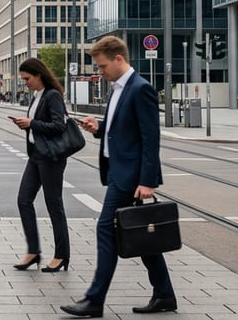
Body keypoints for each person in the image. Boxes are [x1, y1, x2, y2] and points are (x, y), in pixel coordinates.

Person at [62, 36, 175, 318]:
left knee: (106, 229)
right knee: (138, 231)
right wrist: (98, 128)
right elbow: (120, 130)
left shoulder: (140, 89)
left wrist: (147, 181)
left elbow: (151, 139)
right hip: (117, 172)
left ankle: (95, 299)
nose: (100, 72)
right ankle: (164, 294)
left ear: (119, 59)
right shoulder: (117, 89)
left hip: (131, 176)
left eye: (102, 66)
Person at [8, 57, 71, 274]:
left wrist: (31, 124)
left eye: (27, 78)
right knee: (23, 200)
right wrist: (26, 125)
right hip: (36, 155)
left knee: (54, 205)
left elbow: (59, 126)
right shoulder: (37, 96)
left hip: (51, 158)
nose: (25, 82)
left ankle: (62, 255)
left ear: (38, 75)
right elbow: (40, 126)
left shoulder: (52, 96)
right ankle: (33, 251)